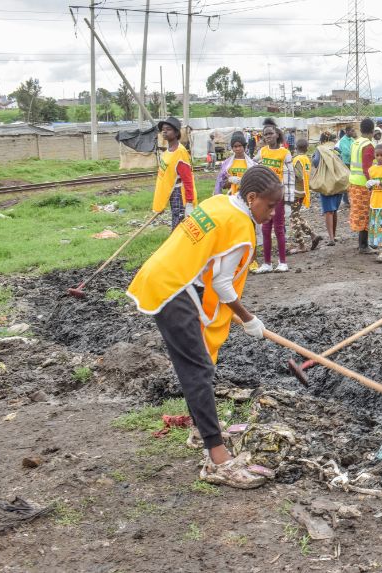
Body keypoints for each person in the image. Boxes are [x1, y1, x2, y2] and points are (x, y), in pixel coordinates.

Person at [126, 165, 284, 488]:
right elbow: (224, 285)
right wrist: (249, 318)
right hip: (174, 288)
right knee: (198, 370)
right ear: (252, 198)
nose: (272, 213)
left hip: (164, 276)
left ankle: (202, 432)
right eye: (269, 206)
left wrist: (235, 315)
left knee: (196, 367)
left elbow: (209, 265)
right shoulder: (241, 228)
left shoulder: (219, 203)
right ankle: (218, 459)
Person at [253, 118, 293, 273]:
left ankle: (283, 262)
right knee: (265, 229)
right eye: (265, 134)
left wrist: (288, 202)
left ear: (277, 134)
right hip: (264, 196)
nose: (268, 136)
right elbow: (253, 166)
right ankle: (267, 263)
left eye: (270, 133)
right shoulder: (262, 152)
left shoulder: (285, 153)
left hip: (278, 196)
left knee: (279, 229)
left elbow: (289, 178)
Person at [153, 116, 197, 231]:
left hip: (180, 194)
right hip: (173, 192)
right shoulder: (168, 151)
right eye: (163, 129)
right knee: (176, 219)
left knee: (179, 225)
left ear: (177, 133)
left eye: (168, 129)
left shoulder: (180, 152)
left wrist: (189, 203)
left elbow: (187, 179)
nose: (164, 131)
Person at [289, 139, 322, 253]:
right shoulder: (306, 159)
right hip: (303, 191)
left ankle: (301, 245)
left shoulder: (297, 159)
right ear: (307, 148)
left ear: (296, 147)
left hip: (296, 192)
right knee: (296, 215)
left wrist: (289, 170)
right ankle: (313, 235)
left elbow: (299, 176)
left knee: (293, 218)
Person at [349, 118, 376, 254]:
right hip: (363, 185)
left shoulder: (356, 143)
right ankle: (363, 245)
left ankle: (363, 243)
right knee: (365, 214)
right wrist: (372, 183)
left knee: (359, 213)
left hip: (354, 183)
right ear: (373, 131)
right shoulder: (368, 145)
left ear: (360, 129)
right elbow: (367, 169)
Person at [311, 131, 342, 245]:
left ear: (322, 140)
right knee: (334, 210)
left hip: (326, 183)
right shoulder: (336, 149)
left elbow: (316, 163)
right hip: (338, 182)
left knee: (328, 212)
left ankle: (331, 239)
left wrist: (313, 157)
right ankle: (334, 235)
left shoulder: (320, 149)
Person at [214, 131, 255, 196]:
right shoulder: (227, 164)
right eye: (235, 146)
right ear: (232, 148)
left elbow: (255, 184)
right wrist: (230, 180)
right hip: (232, 197)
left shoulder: (252, 164)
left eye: (240, 146)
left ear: (244, 146)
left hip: (247, 196)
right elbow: (223, 185)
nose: (237, 149)